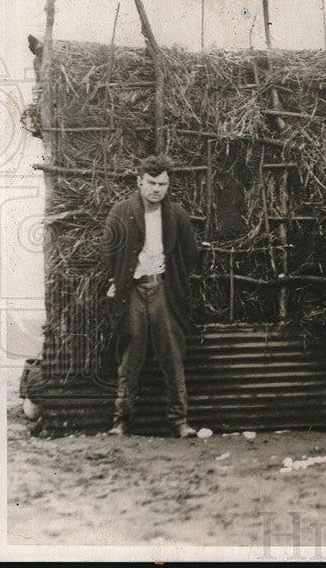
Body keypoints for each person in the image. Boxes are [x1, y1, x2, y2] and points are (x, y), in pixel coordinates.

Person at [104, 154, 199, 438]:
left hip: (163, 290)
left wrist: (175, 282)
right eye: (151, 183)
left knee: (172, 353)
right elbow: (108, 249)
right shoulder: (121, 211)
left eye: (163, 184)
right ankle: (121, 421)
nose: (157, 189)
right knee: (131, 353)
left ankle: (180, 421)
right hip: (132, 289)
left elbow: (191, 253)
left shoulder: (176, 215)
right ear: (139, 182)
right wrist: (119, 280)